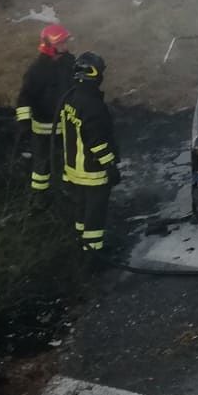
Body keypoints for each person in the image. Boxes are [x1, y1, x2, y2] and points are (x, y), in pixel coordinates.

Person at [60, 52, 120, 252]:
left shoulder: (70, 99)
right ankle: (93, 252)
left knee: (81, 207)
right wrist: (110, 166)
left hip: (73, 169)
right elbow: (98, 142)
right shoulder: (93, 106)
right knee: (95, 212)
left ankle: (80, 241)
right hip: (92, 171)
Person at [16, 24, 74, 194]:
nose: (65, 46)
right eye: (61, 43)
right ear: (50, 45)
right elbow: (25, 97)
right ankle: (39, 199)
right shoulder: (37, 70)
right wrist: (24, 122)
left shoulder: (70, 63)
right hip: (43, 128)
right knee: (42, 167)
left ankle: (68, 193)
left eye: (66, 42)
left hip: (67, 125)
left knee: (70, 162)